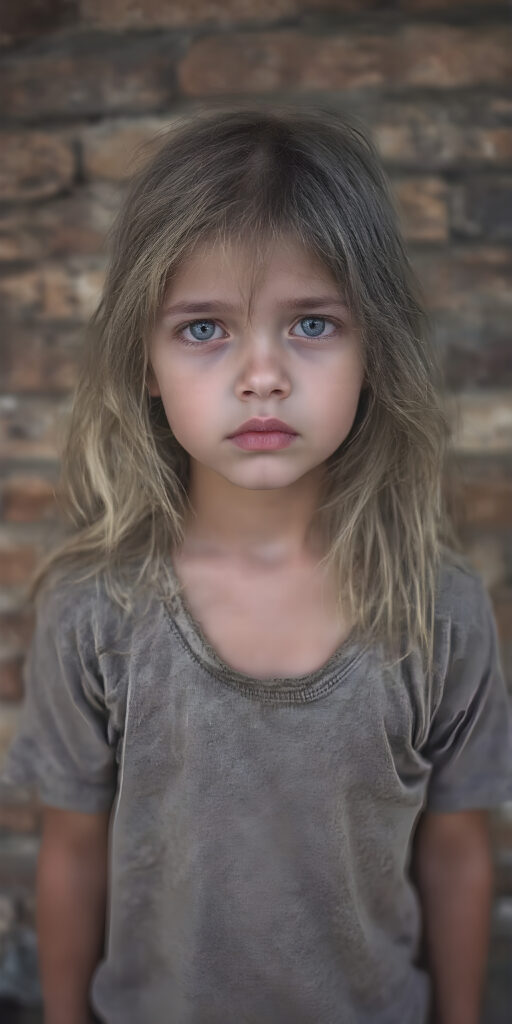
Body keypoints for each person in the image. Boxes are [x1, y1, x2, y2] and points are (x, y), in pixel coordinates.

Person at [1, 103, 511, 1024]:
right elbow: (73, 849)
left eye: (312, 324)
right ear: (145, 362)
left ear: (373, 347)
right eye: (205, 329)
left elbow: (457, 846)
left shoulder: (438, 609)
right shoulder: (96, 608)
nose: (262, 374)